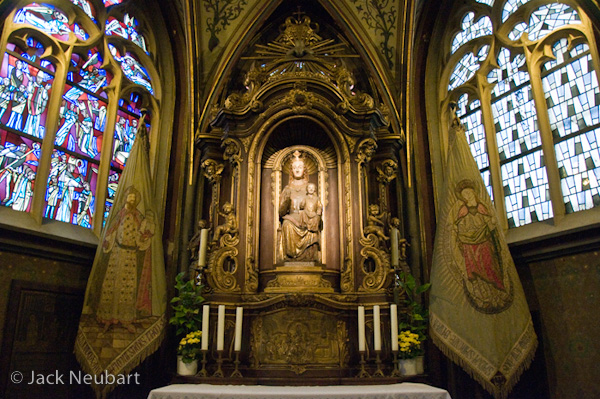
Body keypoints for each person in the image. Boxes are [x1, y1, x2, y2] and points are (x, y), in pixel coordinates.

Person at [96, 186, 154, 333]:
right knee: (112, 286)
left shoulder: (139, 217)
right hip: (117, 253)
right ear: (125, 199)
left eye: (134, 199)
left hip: (130, 256)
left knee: (128, 288)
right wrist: (107, 241)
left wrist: (145, 237)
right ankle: (108, 318)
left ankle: (126, 319)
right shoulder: (120, 214)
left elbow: (143, 235)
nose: (132, 200)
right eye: (130, 197)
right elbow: (111, 230)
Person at [454, 179, 505, 291]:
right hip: (468, 241)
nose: (468, 195)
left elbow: (489, 220)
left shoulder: (481, 206)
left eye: (469, 192)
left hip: (483, 238)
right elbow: (459, 225)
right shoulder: (463, 209)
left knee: (488, 261)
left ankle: (493, 280)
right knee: (473, 262)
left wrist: (491, 222)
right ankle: (477, 283)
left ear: (473, 192)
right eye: (465, 194)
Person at [279, 150, 321, 262]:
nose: (297, 169)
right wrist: (286, 201)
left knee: (311, 227)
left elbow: (317, 205)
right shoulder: (287, 189)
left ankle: (308, 258)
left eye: (300, 167)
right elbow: (281, 213)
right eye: (294, 167)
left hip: (306, 219)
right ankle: (291, 257)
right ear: (291, 170)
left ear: (304, 170)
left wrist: (316, 217)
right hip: (292, 218)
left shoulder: (310, 188)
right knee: (287, 225)